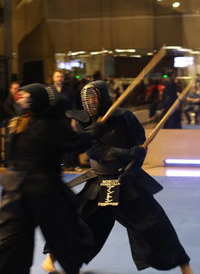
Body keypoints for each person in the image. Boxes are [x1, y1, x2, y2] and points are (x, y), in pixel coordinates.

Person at [69, 80, 193, 274]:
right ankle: (57, 261)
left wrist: (133, 167)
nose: (90, 104)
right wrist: (127, 154)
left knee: (153, 223)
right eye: (86, 100)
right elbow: (94, 150)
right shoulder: (84, 121)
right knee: (83, 223)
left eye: (93, 98)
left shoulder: (124, 116)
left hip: (126, 181)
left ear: (102, 97)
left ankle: (183, 265)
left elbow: (139, 145)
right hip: (99, 181)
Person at [0, 83, 106, 274]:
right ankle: (69, 267)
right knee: (66, 232)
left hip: (13, 188)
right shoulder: (49, 125)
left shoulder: (17, 123)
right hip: (42, 189)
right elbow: (76, 144)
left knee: (13, 237)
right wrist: (94, 131)